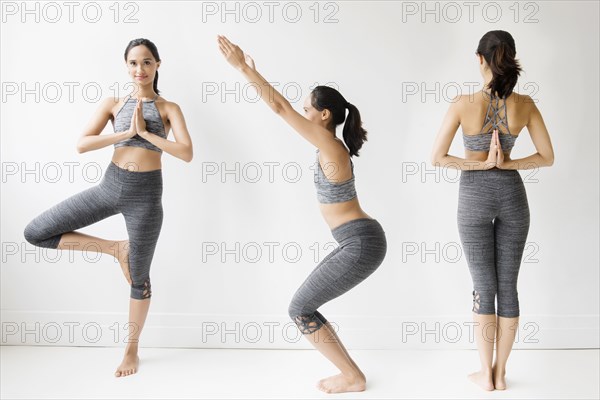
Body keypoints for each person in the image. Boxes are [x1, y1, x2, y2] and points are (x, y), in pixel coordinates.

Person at [218, 35, 387, 394]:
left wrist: (244, 68)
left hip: (361, 242)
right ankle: (352, 374)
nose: (303, 114)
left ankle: (353, 378)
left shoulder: (329, 143)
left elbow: (279, 108)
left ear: (324, 116)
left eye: (308, 110)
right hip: (358, 240)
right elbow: (286, 110)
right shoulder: (328, 145)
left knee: (300, 307)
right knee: (304, 306)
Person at [23, 38, 193, 377]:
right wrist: (124, 134)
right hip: (110, 187)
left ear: (158, 65)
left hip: (146, 198)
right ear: (126, 66)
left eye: (146, 62)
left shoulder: (169, 108)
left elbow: (186, 152)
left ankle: (131, 352)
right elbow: (82, 144)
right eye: (133, 63)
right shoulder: (114, 103)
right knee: (36, 232)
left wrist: (147, 135)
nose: (139, 69)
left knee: (140, 279)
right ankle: (116, 249)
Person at [431, 30, 554, 391]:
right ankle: (501, 373)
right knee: (509, 287)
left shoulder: (461, 103)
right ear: (510, 58)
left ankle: (485, 375)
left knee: (484, 287)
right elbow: (547, 157)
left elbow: (437, 158)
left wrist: (482, 165)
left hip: (473, 199)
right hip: (513, 198)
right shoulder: (526, 104)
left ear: (479, 58)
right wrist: (506, 164)